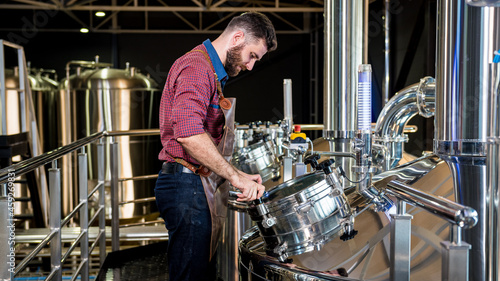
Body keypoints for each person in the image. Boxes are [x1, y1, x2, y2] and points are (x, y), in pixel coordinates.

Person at [154, 12, 277, 281]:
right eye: (252, 55)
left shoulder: (210, 70)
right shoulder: (198, 67)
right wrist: (236, 178)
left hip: (192, 185)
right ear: (237, 38)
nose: (251, 66)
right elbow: (188, 134)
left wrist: (240, 176)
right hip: (185, 188)